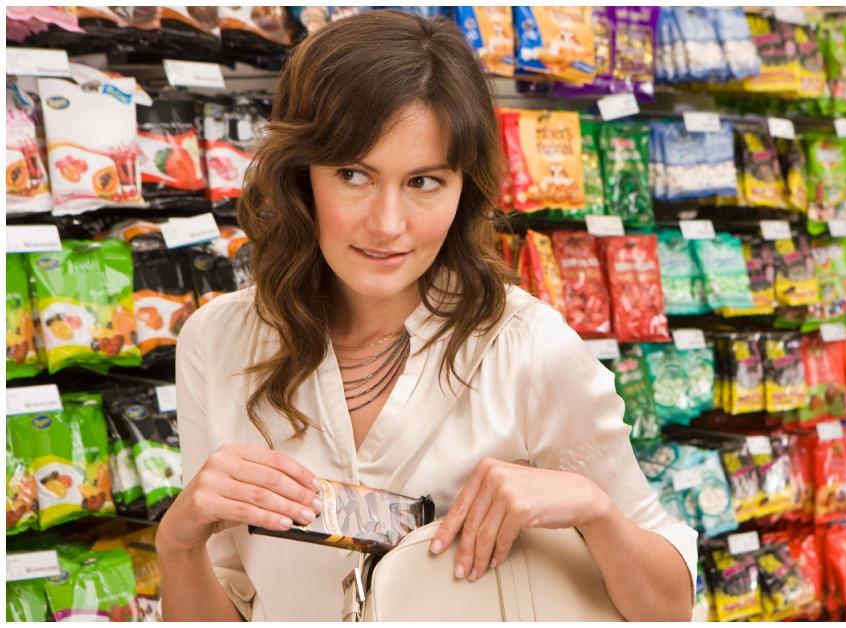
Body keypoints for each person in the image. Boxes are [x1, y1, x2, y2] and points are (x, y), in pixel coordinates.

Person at [154, 10, 697, 622]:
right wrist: (177, 545)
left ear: (465, 188)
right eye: (354, 175)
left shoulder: (528, 349)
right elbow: (231, 604)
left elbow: (669, 610)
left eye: (424, 182)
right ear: (300, 176)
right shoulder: (217, 342)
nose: (388, 225)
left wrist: (592, 508)